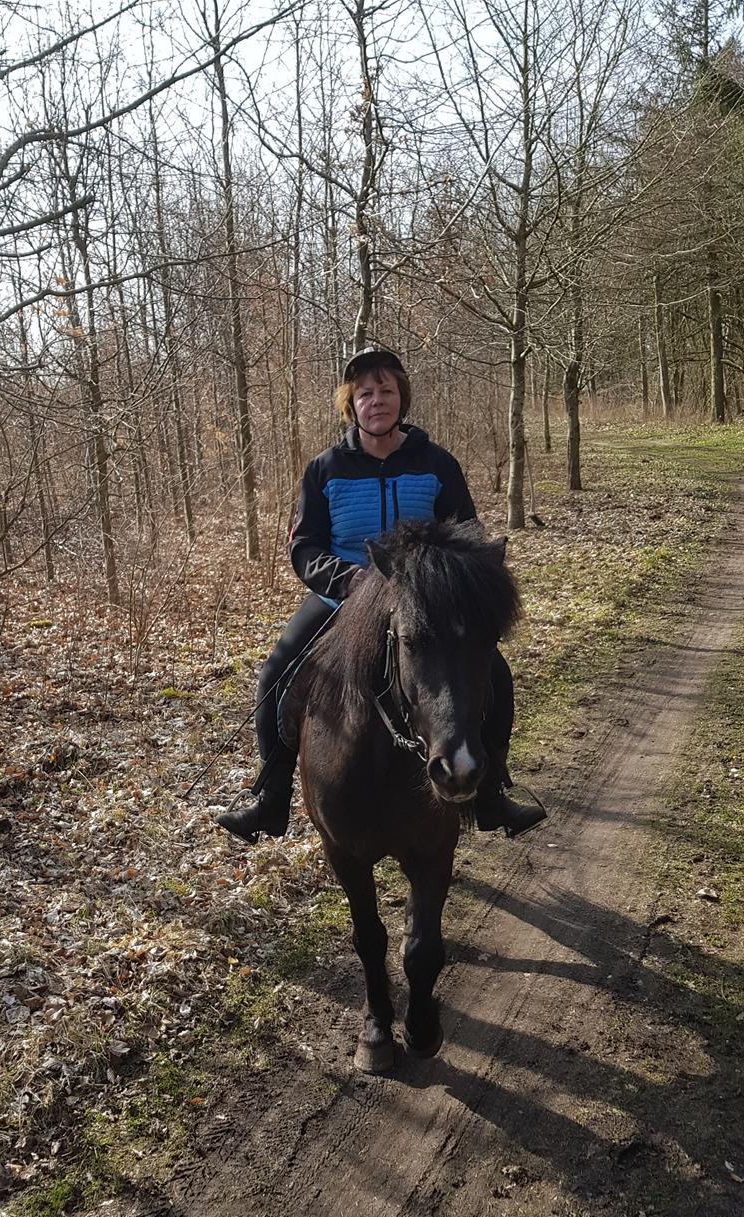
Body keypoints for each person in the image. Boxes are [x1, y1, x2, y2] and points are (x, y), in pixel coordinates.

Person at [216, 345, 547, 844]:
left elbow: (467, 533)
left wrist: (456, 573)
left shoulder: (437, 463)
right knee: (276, 672)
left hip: (429, 607)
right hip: (343, 599)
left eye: (386, 390)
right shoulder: (324, 470)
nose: (377, 400)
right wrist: (348, 581)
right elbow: (304, 546)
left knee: (494, 672)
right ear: (352, 404)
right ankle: (272, 796)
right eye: (365, 393)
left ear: (401, 399)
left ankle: (492, 792)